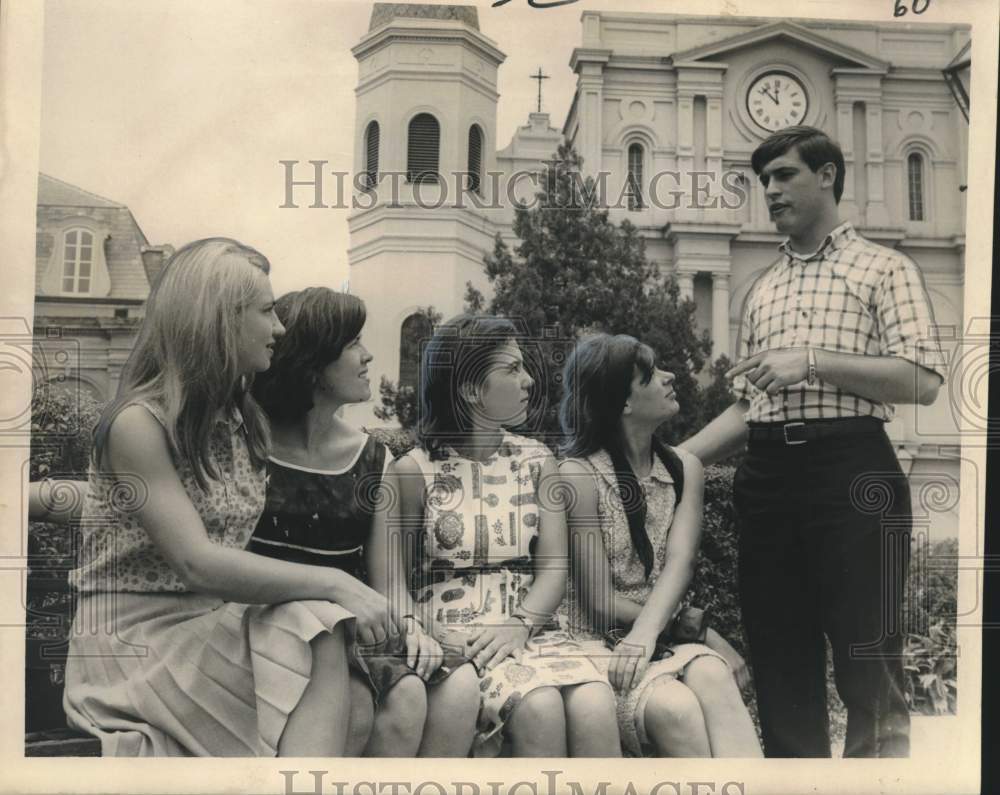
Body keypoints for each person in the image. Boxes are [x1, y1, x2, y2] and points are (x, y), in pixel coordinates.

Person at [60, 238, 396, 756]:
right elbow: (196, 561)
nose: (279, 329)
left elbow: (138, 504)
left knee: (329, 640)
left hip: (208, 626)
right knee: (322, 626)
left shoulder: (239, 418)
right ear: (216, 320)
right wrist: (336, 583)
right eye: (265, 312)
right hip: (133, 641)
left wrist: (43, 495)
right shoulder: (139, 423)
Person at [681, 126, 946, 758]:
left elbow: (923, 379)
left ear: (827, 175)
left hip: (853, 469)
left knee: (868, 660)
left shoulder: (885, 269)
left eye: (784, 175)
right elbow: (754, 406)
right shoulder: (764, 288)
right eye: (763, 180)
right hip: (768, 477)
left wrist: (813, 360)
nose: (769, 191)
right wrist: (678, 457)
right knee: (782, 665)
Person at [248, 287, 480, 757]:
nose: (368, 354)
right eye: (353, 342)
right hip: (266, 620)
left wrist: (411, 625)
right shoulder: (249, 446)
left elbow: (388, 581)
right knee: (360, 706)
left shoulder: (374, 460)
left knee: (448, 684)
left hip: (352, 623)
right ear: (313, 362)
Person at [387, 314, 622, 758]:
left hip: (531, 626)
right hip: (461, 635)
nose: (529, 380)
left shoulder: (537, 461)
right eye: (512, 369)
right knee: (539, 707)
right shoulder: (414, 471)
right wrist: (419, 631)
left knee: (595, 704)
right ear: (471, 389)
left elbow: (554, 567)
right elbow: (396, 581)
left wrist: (520, 625)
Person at [556, 333, 761, 758]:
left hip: (655, 636)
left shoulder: (684, 468)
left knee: (715, 679)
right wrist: (699, 631)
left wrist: (658, 633)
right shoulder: (578, 474)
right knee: (677, 709)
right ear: (623, 404)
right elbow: (599, 602)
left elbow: (680, 563)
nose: (669, 377)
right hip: (598, 644)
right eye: (651, 374)